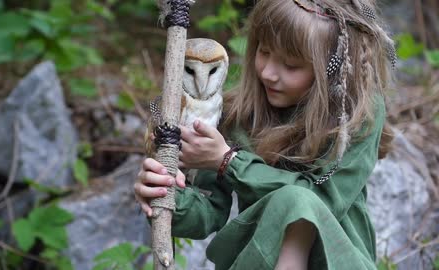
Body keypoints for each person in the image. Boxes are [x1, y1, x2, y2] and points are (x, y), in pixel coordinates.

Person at [135, 0, 396, 269]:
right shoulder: (236, 115)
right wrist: (166, 194)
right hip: (260, 260)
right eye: (264, 50)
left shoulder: (355, 114)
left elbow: (326, 200)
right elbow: (207, 214)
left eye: (291, 66)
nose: (269, 73)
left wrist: (229, 162)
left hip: (335, 260)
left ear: (331, 71)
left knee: (295, 200)